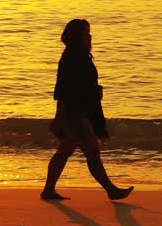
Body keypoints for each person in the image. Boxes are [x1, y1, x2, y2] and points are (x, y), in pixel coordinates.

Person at [42, 18, 134, 201]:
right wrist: (59, 115)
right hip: (75, 113)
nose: (90, 37)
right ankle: (111, 190)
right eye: (87, 33)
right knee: (91, 153)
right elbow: (63, 88)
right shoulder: (73, 57)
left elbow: (77, 85)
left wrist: (95, 90)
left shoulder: (78, 55)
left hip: (78, 111)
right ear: (78, 36)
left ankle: (48, 190)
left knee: (65, 152)